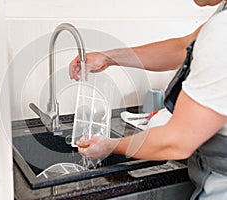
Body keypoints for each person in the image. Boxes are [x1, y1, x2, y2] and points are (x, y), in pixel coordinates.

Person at [69, 0, 227, 199]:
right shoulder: (221, 18)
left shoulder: (222, 33)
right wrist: (107, 58)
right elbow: (182, 48)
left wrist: (110, 146)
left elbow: (176, 142)